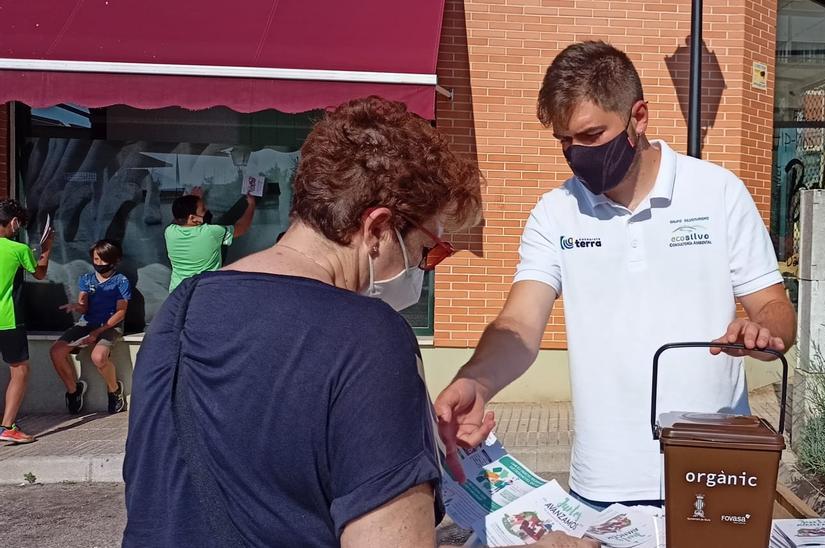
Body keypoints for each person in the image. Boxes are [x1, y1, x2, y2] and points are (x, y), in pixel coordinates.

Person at [123, 97, 597, 548]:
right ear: (376, 229)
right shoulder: (370, 339)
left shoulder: (180, 310)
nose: (424, 268)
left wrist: (397, 435)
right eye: (427, 248)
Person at [435, 41, 797, 509]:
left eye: (590, 136)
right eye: (565, 141)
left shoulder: (717, 192)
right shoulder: (556, 213)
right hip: (601, 490)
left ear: (638, 117)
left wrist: (761, 331)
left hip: (715, 470)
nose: (576, 153)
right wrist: (476, 381)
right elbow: (520, 323)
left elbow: (775, 310)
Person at [50, 240, 130, 415]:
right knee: (56, 352)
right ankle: (73, 390)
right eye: (96, 259)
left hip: (110, 326)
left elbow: (121, 312)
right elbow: (83, 305)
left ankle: (114, 390)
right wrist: (77, 307)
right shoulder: (86, 279)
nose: (98, 263)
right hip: (86, 324)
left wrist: (97, 332)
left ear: (114, 260)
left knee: (99, 357)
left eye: (103, 259)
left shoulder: (121, 281)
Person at [0, 200, 52, 444]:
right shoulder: (17, 249)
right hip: (8, 318)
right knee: (19, 370)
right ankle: (7, 426)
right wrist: (47, 249)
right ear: (13, 222)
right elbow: (39, 273)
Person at [164, 185, 257, 291]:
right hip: (205, 291)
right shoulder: (211, 232)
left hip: (178, 291)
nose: (206, 209)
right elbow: (242, 227)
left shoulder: (169, 232)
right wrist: (251, 205)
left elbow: (178, 218)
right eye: (203, 209)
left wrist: (192, 200)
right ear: (192, 218)